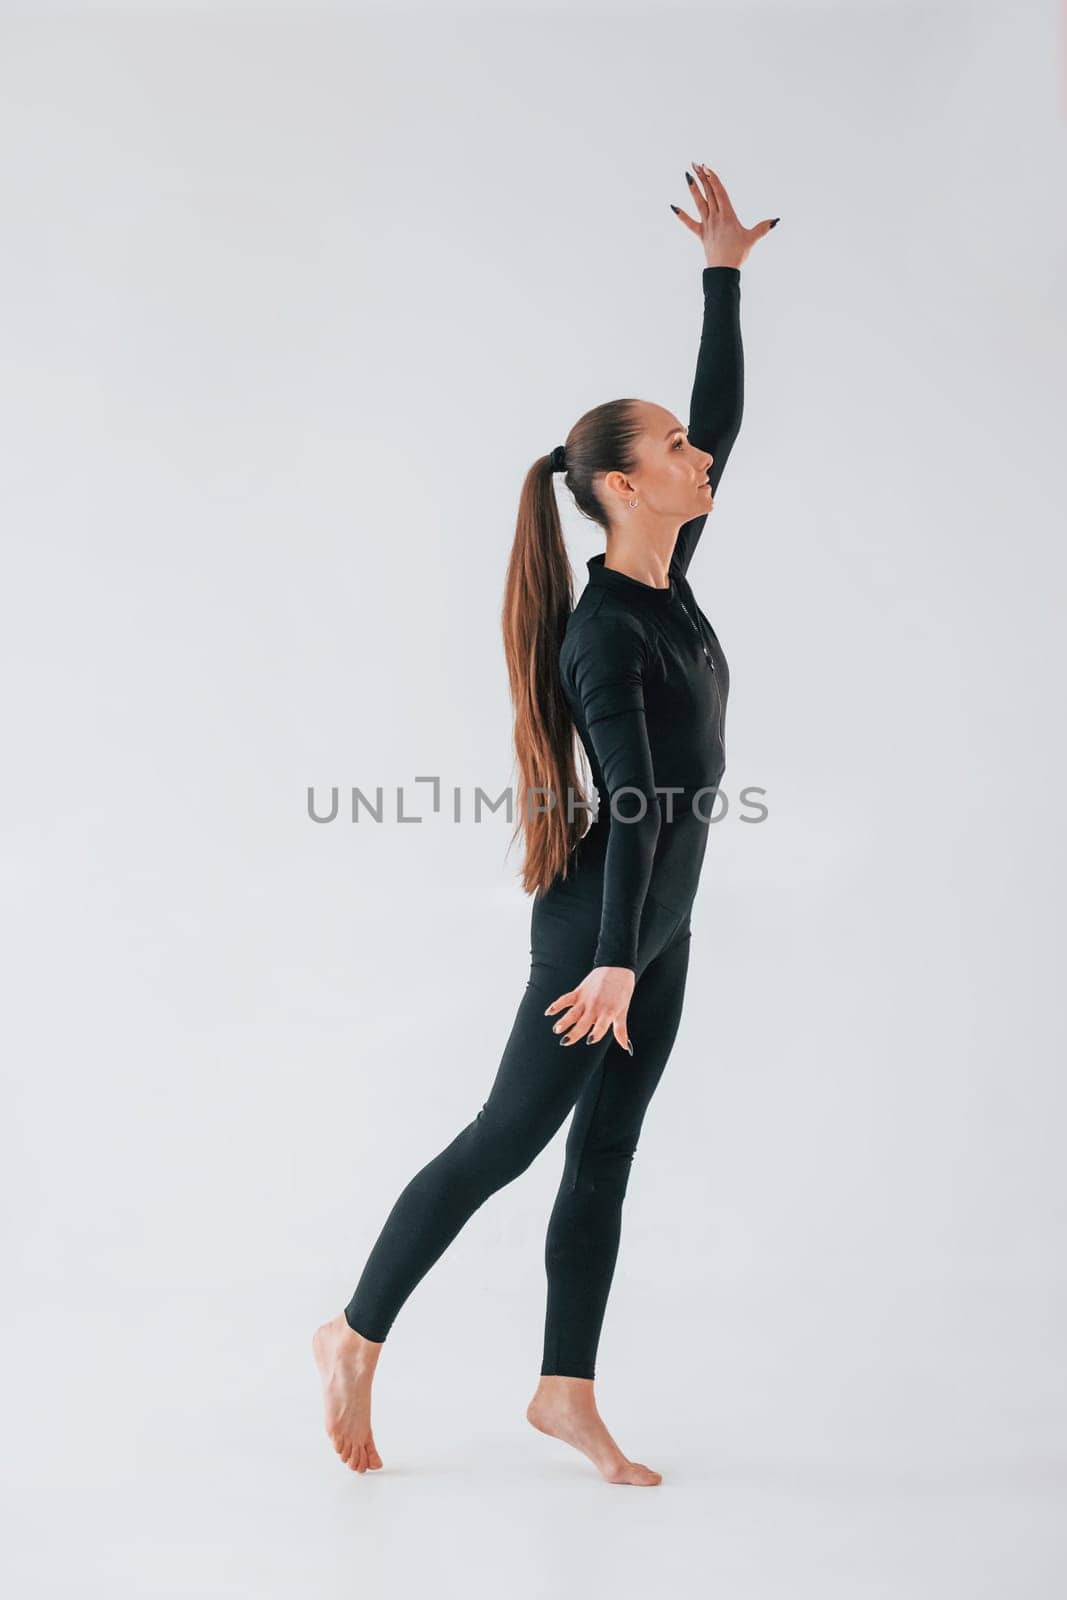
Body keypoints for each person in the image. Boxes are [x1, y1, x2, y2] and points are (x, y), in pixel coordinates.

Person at [313, 162, 778, 1486]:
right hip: (605, 927)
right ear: (626, 488)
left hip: (657, 924)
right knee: (504, 1142)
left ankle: (563, 1392)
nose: (700, 456)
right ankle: (353, 1331)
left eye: (694, 445)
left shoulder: (665, 578)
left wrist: (723, 275)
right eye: (675, 450)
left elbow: (728, 419)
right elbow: (630, 807)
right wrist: (617, 960)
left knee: (607, 1153)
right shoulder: (604, 633)